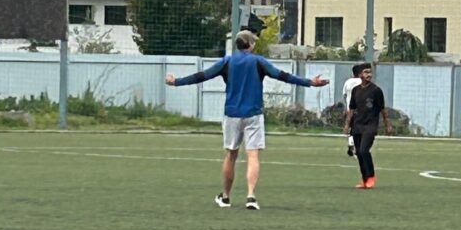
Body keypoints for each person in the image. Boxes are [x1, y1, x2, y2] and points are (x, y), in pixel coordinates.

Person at [166, 30, 329, 209]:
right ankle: (250, 196)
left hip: (232, 114)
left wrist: (176, 82)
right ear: (251, 44)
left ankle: (226, 197)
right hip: (253, 114)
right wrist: (309, 82)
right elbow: (283, 76)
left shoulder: (227, 62)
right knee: (253, 154)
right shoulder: (258, 61)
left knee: (231, 154)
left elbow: (202, 76)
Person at [344, 63, 392, 188]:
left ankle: (371, 177)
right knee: (359, 153)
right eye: (366, 72)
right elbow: (352, 109)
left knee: (364, 150)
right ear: (360, 74)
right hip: (357, 125)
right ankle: (365, 180)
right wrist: (347, 124)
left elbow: (382, 109)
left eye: (370, 72)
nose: (369, 75)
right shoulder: (355, 90)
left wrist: (387, 124)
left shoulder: (376, 90)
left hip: (370, 125)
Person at [342, 63, 363, 157]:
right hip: (361, 109)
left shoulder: (348, 82)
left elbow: (344, 96)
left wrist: (346, 107)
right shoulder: (362, 82)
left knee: (352, 127)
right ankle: (358, 147)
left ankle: (351, 143)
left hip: (350, 109)